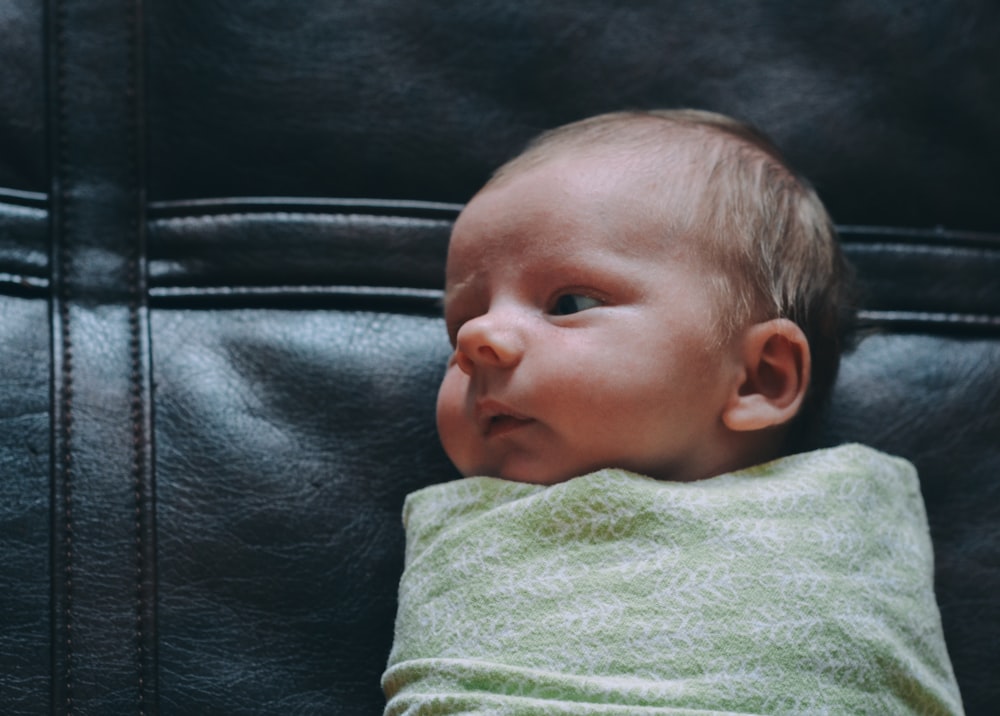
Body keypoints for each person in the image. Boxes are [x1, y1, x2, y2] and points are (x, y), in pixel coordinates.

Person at [383, 110, 964, 714]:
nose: (478, 337)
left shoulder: (848, 521)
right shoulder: (465, 530)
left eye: (569, 302)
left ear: (759, 378)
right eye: (459, 323)